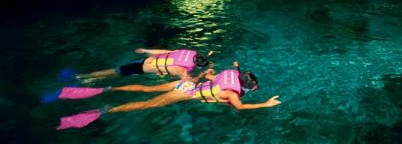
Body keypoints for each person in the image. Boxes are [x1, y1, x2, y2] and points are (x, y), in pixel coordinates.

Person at [56, 64, 281, 129]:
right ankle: (104, 110)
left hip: (184, 83)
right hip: (182, 94)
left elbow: (215, 76)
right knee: (145, 105)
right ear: (246, 87)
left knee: (145, 90)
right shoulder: (233, 95)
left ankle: (108, 89)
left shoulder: (230, 74)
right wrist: (266, 104)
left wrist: (234, 66)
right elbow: (239, 107)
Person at [76, 48, 211, 81]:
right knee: (115, 72)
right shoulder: (181, 70)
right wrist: (202, 75)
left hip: (143, 61)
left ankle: (89, 78)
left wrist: (146, 50)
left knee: (117, 71)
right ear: (197, 65)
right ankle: (84, 77)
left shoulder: (185, 52)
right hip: (141, 68)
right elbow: (188, 82)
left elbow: (164, 51)